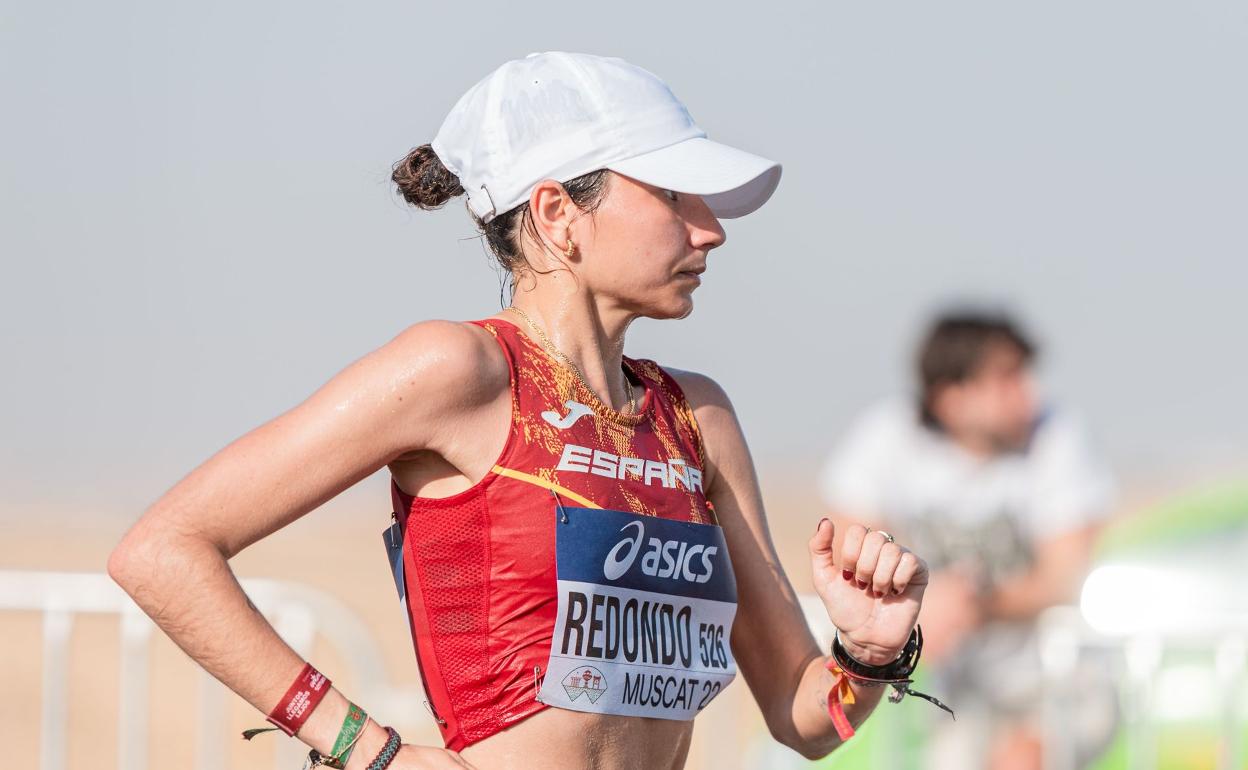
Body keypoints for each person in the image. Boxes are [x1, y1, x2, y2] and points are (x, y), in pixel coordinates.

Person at [108, 52, 934, 770]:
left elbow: (806, 719)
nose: (711, 230)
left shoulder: (699, 416)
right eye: (675, 194)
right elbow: (163, 551)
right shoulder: (458, 369)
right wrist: (363, 746)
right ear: (556, 214)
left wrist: (869, 651)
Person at [819, 310, 1118, 770]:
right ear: (951, 396)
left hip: (1057, 677)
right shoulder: (889, 438)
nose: (1028, 396)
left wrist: (976, 603)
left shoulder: (1058, 437)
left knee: (1025, 760)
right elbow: (845, 548)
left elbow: (1067, 576)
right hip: (951, 683)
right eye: (1007, 379)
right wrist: (915, 602)